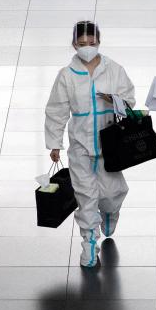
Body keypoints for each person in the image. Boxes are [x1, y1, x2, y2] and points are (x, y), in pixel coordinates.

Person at [45, 21, 136, 269]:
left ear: (99, 42)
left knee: (113, 192)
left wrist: (115, 99)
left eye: (92, 43)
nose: (87, 48)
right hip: (80, 145)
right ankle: (89, 243)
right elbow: (57, 110)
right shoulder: (67, 75)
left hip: (110, 143)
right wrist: (55, 143)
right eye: (82, 44)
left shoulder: (114, 70)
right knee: (86, 196)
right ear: (74, 44)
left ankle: (109, 213)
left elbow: (129, 99)